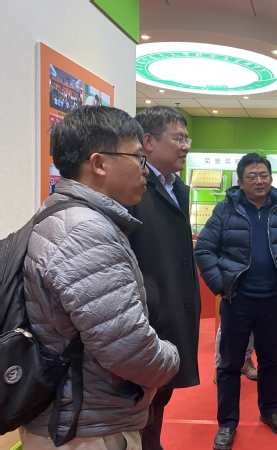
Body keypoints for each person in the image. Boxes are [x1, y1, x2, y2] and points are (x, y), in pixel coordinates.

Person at [21, 106, 180, 449]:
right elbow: (130, 350)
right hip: (88, 428)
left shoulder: (64, 214)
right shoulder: (86, 232)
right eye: (137, 157)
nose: (145, 170)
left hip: (74, 414)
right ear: (98, 164)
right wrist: (170, 357)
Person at [194, 152, 277, 450]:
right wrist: (221, 286)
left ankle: (269, 410)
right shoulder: (225, 210)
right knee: (230, 364)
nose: (259, 180)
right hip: (237, 302)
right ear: (240, 181)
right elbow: (204, 250)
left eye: (264, 175)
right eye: (252, 176)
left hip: (273, 302)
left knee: (270, 361)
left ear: (271, 178)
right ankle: (227, 423)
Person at [130, 106, 201, 450]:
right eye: (178, 138)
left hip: (174, 309)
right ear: (149, 141)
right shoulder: (133, 189)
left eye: (187, 139)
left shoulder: (176, 187)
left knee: (160, 398)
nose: (185, 146)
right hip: (147, 316)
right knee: (140, 403)